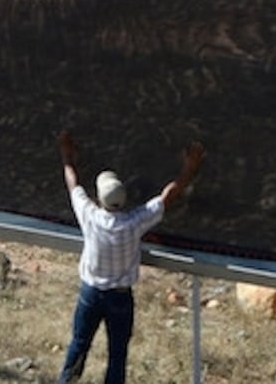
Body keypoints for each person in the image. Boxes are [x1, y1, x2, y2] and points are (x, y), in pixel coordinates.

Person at [56, 130, 205, 384]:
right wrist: (190, 168)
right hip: (120, 299)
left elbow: (73, 183)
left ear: (99, 199)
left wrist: (67, 156)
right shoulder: (135, 223)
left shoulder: (89, 216)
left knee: (79, 344)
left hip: (91, 293)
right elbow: (168, 196)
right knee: (117, 355)